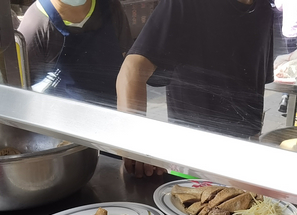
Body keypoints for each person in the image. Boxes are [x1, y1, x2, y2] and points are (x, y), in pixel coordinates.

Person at [116, 0, 274, 177]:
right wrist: (134, 141)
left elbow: (254, 83)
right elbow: (132, 70)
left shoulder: (264, 8)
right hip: (192, 157)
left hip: (244, 157)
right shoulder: (187, 3)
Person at [19, 0, 132, 107]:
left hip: (114, 114)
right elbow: (24, 94)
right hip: (64, 122)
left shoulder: (111, 7)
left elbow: (128, 64)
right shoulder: (35, 23)